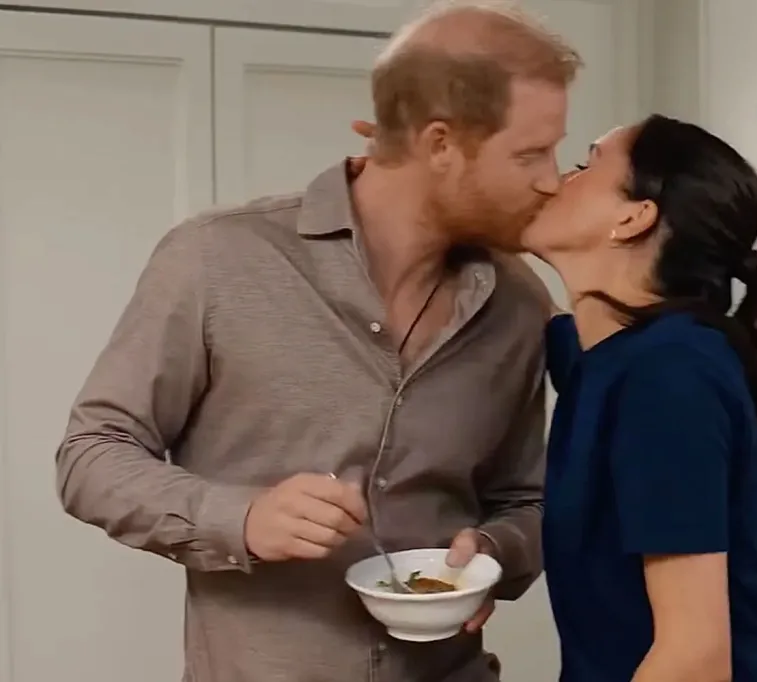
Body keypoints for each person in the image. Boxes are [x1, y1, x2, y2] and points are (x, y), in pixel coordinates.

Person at [54, 3, 580, 682]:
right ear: (441, 145)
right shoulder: (218, 259)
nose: (550, 178)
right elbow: (89, 456)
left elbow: (529, 498)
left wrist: (493, 551)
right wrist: (240, 517)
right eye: (531, 152)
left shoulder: (517, 304)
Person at [519, 115, 757, 682]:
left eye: (586, 165)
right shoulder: (617, 356)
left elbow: (694, 658)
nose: (558, 180)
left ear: (634, 217)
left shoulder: (669, 375)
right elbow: (546, 314)